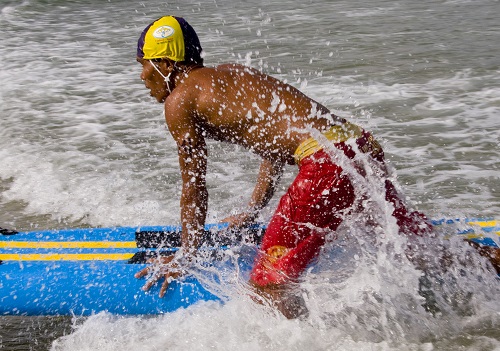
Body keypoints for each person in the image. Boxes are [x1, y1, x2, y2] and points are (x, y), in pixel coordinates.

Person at [133, 16, 497, 318]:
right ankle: (492, 259)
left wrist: (187, 254)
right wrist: (253, 210)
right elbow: (272, 141)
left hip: (328, 163)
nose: (142, 77)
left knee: (266, 284)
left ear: (166, 64)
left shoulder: (180, 101)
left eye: (144, 65)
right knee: (416, 246)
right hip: (358, 145)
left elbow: (194, 185)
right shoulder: (230, 74)